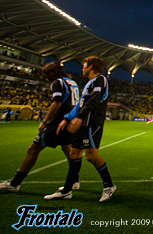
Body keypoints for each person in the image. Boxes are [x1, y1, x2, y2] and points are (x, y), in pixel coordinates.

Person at [44, 56, 116, 202]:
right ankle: (67, 191)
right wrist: (67, 118)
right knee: (74, 154)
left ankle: (109, 186)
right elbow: (80, 105)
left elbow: (94, 100)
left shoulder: (100, 80)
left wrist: (79, 117)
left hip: (92, 124)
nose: (82, 67)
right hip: (83, 123)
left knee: (91, 156)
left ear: (91, 66)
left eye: (84, 65)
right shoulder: (90, 83)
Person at [0, 62, 80, 192]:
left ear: (50, 74)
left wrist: (45, 121)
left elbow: (57, 103)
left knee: (33, 149)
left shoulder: (57, 83)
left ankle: (14, 184)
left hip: (57, 123)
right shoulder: (72, 82)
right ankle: (74, 181)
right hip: (69, 121)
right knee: (69, 151)